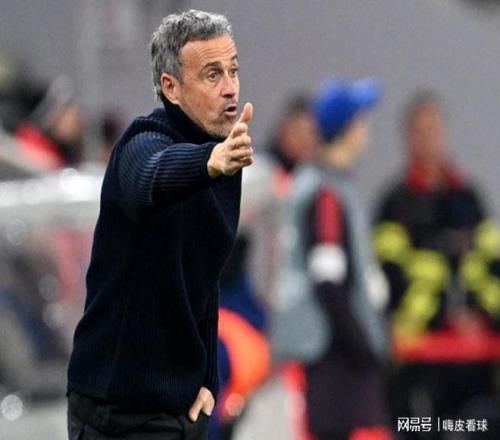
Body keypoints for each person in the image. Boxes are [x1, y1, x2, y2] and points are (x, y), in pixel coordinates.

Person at [66, 10, 254, 440]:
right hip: (117, 413)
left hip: (179, 408)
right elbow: (150, 176)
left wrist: (208, 379)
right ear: (171, 87)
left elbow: (203, 276)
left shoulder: (223, 155)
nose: (230, 87)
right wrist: (208, 162)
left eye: (233, 70)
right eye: (212, 75)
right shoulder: (142, 142)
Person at [374, 91, 500, 437]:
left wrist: (480, 316)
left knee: (477, 426)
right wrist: (439, 312)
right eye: (422, 130)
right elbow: (391, 279)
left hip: (474, 361)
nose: (430, 139)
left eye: (435, 129)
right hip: (418, 362)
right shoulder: (395, 205)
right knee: (421, 429)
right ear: (408, 137)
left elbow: (492, 268)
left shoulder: (467, 199)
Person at [287, 77, 391, 440]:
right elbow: (328, 283)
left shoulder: (333, 187)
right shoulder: (327, 194)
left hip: (340, 364)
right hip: (336, 370)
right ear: (348, 128)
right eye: (361, 120)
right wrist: (365, 346)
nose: (366, 129)